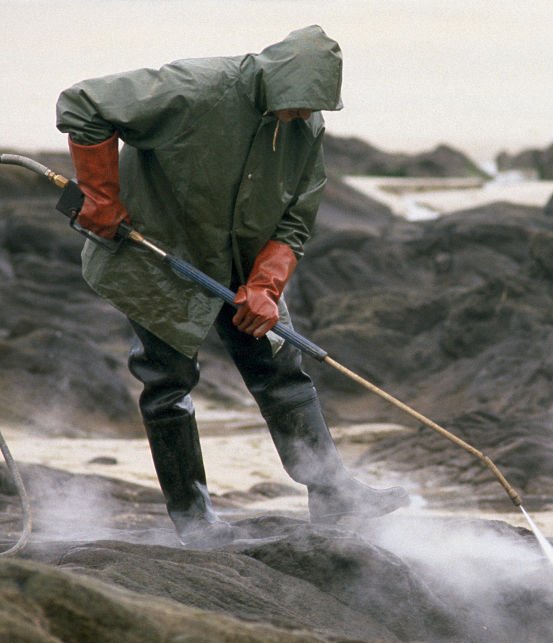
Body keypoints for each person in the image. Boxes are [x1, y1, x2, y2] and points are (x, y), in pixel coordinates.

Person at [55, 25, 409, 547]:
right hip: (159, 256)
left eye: (313, 108)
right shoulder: (196, 88)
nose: (302, 117)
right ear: (276, 81)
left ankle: (334, 494)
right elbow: (83, 104)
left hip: (243, 265)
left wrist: (266, 285)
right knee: (169, 382)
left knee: (283, 371)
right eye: (295, 105)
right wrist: (102, 197)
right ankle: (195, 521)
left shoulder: (304, 125)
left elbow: (294, 220)